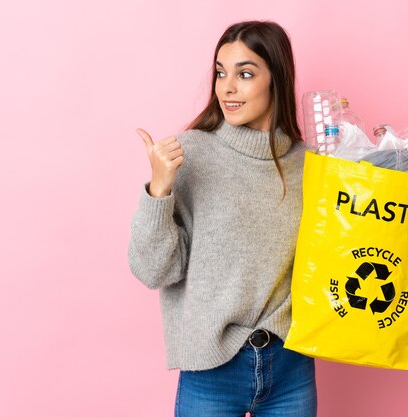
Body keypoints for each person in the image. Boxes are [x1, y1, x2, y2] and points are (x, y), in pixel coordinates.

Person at [128, 20, 317, 417]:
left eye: (245, 74)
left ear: (276, 80)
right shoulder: (190, 154)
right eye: (220, 72)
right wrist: (158, 190)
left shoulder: (309, 167)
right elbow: (152, 271)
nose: (227, 87)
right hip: (211, 368)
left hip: (291, 365)